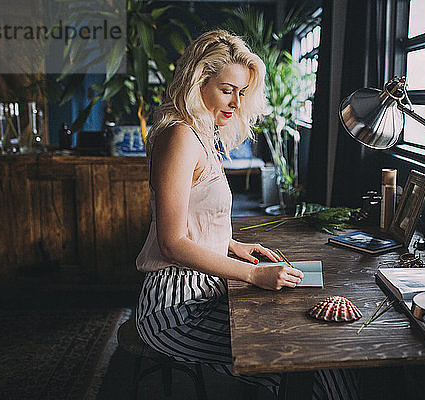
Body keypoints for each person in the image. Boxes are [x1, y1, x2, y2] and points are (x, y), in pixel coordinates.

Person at [135, 30, 359, 399]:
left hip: (203, 287)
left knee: (316, 349)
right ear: (197, 81)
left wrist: (233, 244)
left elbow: (194, 218)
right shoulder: (179, 137)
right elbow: (171, 243)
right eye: (227, 89)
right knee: (311, 355)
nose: (236, 102)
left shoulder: (201, 133)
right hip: (174, 307)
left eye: (241, 92)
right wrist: (254, 273)